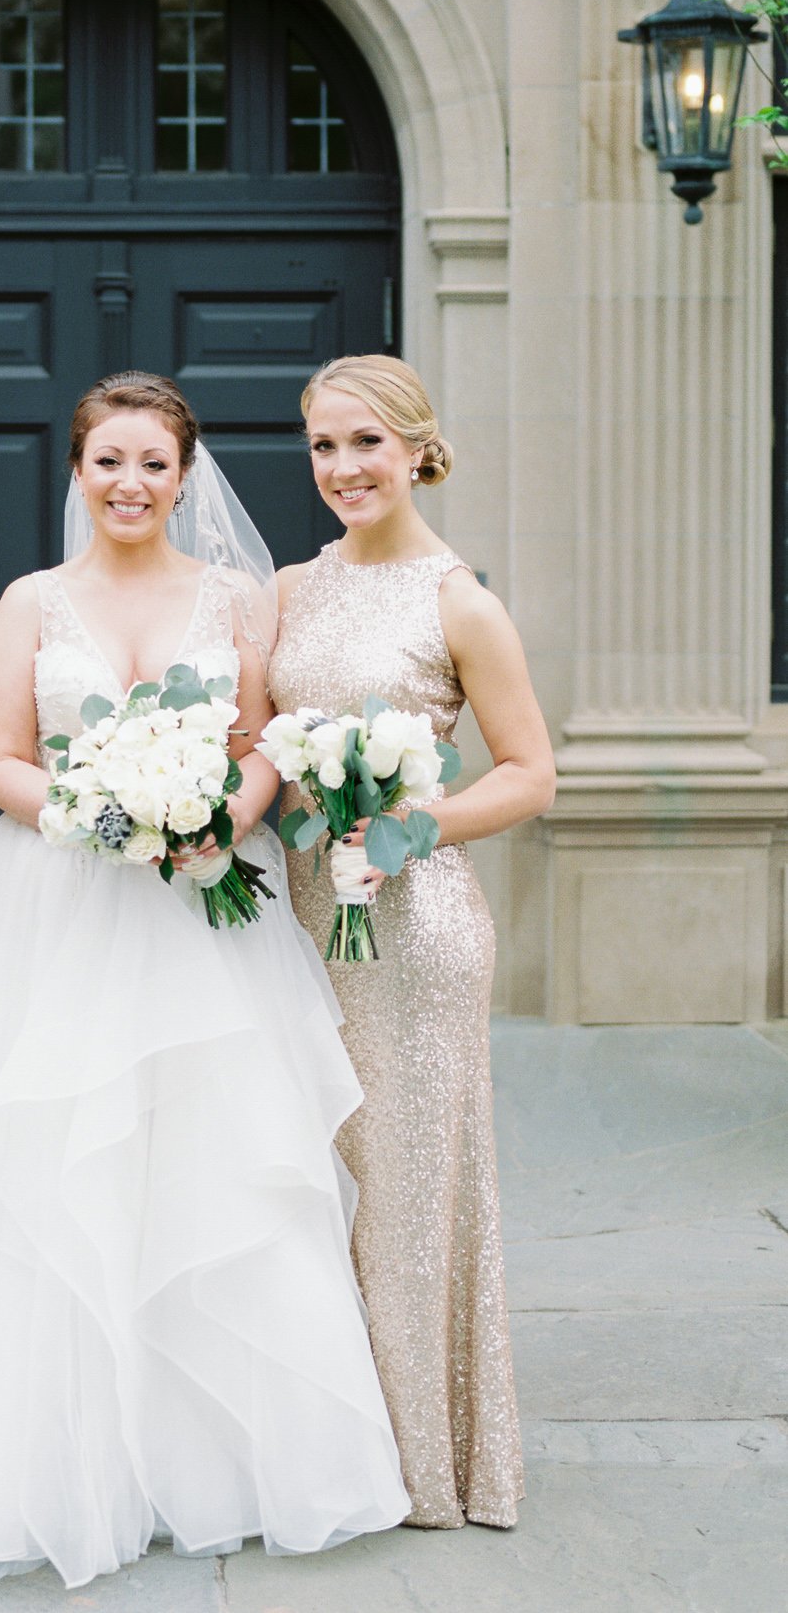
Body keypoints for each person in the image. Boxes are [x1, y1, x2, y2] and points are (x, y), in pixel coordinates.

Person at [0, 371, 411, 1585]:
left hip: (206, 909)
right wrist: (98, 810)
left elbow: (258, 738)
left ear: (184, 475)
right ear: (76, 472)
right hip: (54, 897)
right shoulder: (29, 602)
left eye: (153, 465)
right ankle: (36, 1455)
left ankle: (206, 1450)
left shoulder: (233, 599)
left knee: (208, 1161)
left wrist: (220, 818)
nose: (130, 485)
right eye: (107, 462)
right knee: (44, 1166)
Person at [269, 354, 555, 1530]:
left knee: (410, 1186)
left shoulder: (459, 600)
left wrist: (410, 825)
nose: (344, 468)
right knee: (306, 1180)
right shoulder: (287, 589)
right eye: (326, 447)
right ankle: (317, 1446)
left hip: (415, 924)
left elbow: (532, 773)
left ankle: (424, 1457)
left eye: (366, 444)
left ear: (418, 449)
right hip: (295, 919)